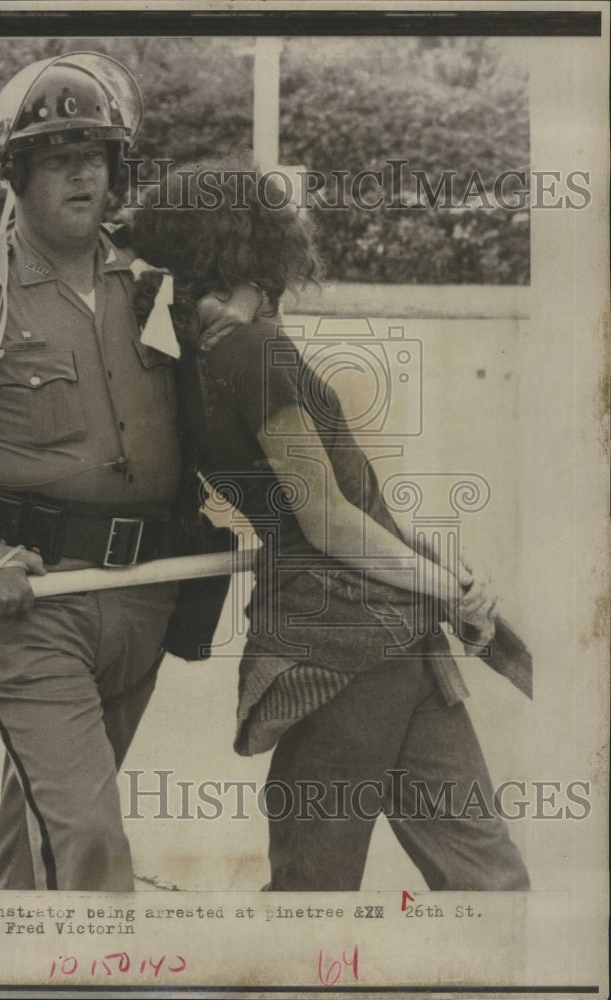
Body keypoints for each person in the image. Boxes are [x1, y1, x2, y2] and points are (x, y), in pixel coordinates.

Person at [0, 54, 260, 891]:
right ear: (16, 173)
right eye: (56, 156)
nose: (84, 171)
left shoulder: (154, 277)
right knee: (89, 842)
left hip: (149, 591)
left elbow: (253, 309)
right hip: (30, 603)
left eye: (98, 154)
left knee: (44, 823)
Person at [129, 165, 531, 891]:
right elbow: (327, 519)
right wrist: (446, 587)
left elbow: (337, 505)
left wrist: (438, 576)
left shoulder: (193, 362)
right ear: (254, 246)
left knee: (357, 892)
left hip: (363, 636)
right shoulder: (251, 353)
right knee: (411, 890)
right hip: (348, 644)